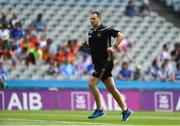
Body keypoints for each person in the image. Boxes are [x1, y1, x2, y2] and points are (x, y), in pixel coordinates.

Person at [82, 11, 133, 122]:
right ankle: (125, 110)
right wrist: (86, 45)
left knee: (91, 83)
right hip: (97, 63)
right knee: (111, 88)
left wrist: (114, 47)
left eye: (94, 18)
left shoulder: (106, 30)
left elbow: (121, 35)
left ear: (99, 19)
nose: (92, 21)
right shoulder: (90, 32)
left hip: (106, 62)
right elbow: (94, 47)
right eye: (90, 19)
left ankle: (99, 109)